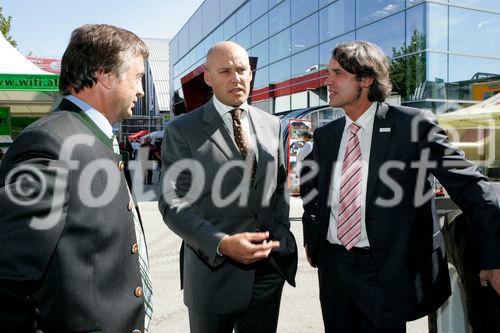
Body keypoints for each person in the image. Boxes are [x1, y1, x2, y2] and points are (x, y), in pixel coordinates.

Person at [300, 40, 500, 333]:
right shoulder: (326, 136)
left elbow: (472, 188)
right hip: (333, 269)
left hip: (384, 272)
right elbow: (314, 192)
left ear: (365, 79)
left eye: (337, 73)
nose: (327, 80)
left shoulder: (413, 126)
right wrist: (312, 237)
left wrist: (493, 257)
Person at [0, 24, 153, 332]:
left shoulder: (91, 138)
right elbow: (8, 277)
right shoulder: (51, 144)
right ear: (106, 76)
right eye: (137, 77)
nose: (141, 90)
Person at [159, 41, 297, 333]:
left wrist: (282, 233)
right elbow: (173, 203)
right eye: (225, 71)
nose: (236, 78)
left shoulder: (273, 124)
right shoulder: (182, 129)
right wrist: (221, 243)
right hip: (213, 275)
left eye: (242, 70)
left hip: (267, 274)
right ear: (208, 77)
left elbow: (280, 185)